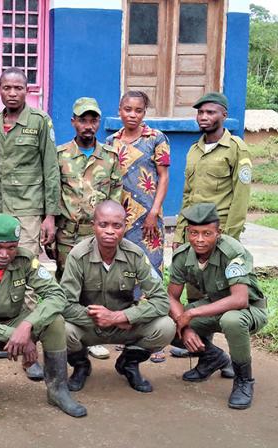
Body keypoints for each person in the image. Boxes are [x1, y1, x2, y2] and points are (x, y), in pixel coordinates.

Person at [0, 213, 87, 418]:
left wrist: (27, 326)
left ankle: (58, 389)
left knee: (56, 322)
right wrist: (15, 335)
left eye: (11, 247)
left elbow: (57, 295)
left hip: (16, 319)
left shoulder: (25, 259)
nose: (5, 254)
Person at [0, 67, 60, 379]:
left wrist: (50, 215)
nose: (12, 93)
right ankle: (5, 336)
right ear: (0, 90)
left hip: (30, 209)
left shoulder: (40, 122)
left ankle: (29, 351)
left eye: (18, 87)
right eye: (7, 87)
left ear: (26, 90)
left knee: (27, 276)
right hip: (1, 209)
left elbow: (50, 168)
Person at [61, 200, 174, 393]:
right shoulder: (78, 256)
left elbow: (161, 301)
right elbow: (65, 305)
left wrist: (119, 318)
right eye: (103, 225)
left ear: (125, 226)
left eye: (117, 225)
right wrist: (101, 319)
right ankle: (81, 366)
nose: (110, 231)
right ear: (93, 226)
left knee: (165, 327)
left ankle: (129, 363)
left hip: (125, 325)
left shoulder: (135, 255)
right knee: (61, 329)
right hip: (89, 326)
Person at [168, 203, 267, 410]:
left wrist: (192, 313)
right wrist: (184, 328)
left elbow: (239, 299)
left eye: (207, 233)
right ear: (187, 233)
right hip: (214, 304)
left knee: (231, 319)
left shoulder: (232, 251)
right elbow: (172, 297)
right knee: (168, 324)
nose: (200, 239)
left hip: (249, 308)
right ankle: (212, 358)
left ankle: (243, 381)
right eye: (194, 233)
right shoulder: (183, 255)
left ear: (218, 233)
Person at [55, 97, 122, 361]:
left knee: (94, 287)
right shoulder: (60, 156)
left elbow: (115, 195)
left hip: (98, 233)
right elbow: (53, 192)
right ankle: (65, 337)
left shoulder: (110, 157)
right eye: (83, 120)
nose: (88, 125)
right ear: (73, 122)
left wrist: (112, 230)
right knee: (66, 285)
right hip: (68, 234)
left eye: (93, 120)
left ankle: (92, 336)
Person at [106, 90, 171, 363]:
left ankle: (156, 340)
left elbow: (164, 175)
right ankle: (130, 332)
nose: (132, 115)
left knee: (151, 273)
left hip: (149, 221)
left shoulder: (156, 139)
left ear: (145, 112)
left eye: (138, 110)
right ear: (120, 110)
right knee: (125, 275)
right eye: (127, 109)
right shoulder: (111, 142)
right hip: (121, 221)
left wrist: (154, 211)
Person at [172, 92, 251, 249]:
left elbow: (241, 198)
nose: (203, 117)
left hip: (217, 232)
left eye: (210, 112)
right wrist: (180, 233)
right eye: (200, 112)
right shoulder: (194, 150)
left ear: (224, 115)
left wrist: (229, 239)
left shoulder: (236, 148)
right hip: (193, 231)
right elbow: (188, 195)